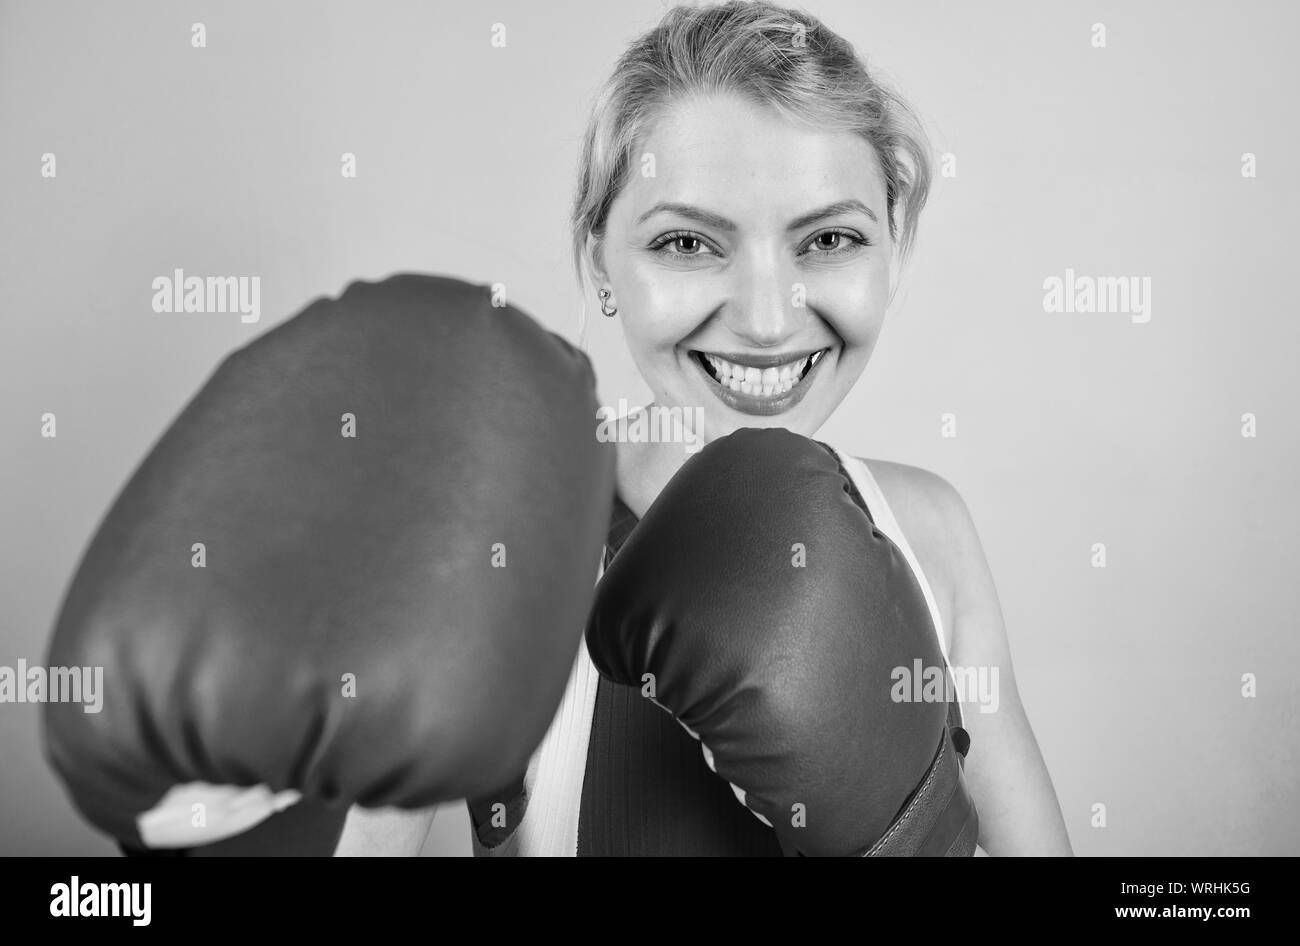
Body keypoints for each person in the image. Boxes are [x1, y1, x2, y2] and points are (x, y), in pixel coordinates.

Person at [338, 0, 1072, 856]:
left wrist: (920, 836)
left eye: (830, 238)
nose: (766, 320)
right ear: (599, 263)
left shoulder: (931, 533)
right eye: (688, 244)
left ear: (893, 255)